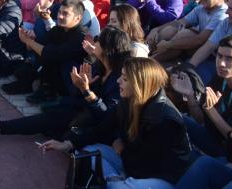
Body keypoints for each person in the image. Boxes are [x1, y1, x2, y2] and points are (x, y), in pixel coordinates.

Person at [40, 57, 193, 189]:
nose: (119, 81)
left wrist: (121, 150)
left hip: (162, 178)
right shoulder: (128, 101)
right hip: (133, 163)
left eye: (125, 79)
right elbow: (102, 129)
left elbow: (148, 166)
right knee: (86, 151)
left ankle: (115, 181)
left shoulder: (164, 119)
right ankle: (115, 180)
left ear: (140, 85)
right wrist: (67, 144)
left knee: (120, 187)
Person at [0, 27, 133, 142]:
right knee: (51, 120)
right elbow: (79, 96)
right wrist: (80, 86)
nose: (95, 43)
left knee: (51, 119)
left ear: (107, 49)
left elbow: (107, 116)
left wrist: (87, 91)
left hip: (100, 126)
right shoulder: (99, 66)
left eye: (99, 41)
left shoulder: (120, 77)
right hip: (83, 112)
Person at [170, 35, 232, 159]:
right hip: (212, 139)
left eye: (230, 59)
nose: (221, 63)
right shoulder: (220, 78)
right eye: (219, 56)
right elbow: (201, 120)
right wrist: (190, 95)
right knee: (173, 118)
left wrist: (211, 111)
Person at [146, 0, 228, 64]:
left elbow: (200, 40)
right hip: (197, 47)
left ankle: (150, 62)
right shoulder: (201, 8)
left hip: (212, 55)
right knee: (170, 30)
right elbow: (178, 23)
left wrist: (168, 44)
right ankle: (148, 53)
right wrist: (155, 30)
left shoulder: (222, 14)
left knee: (184, 35)